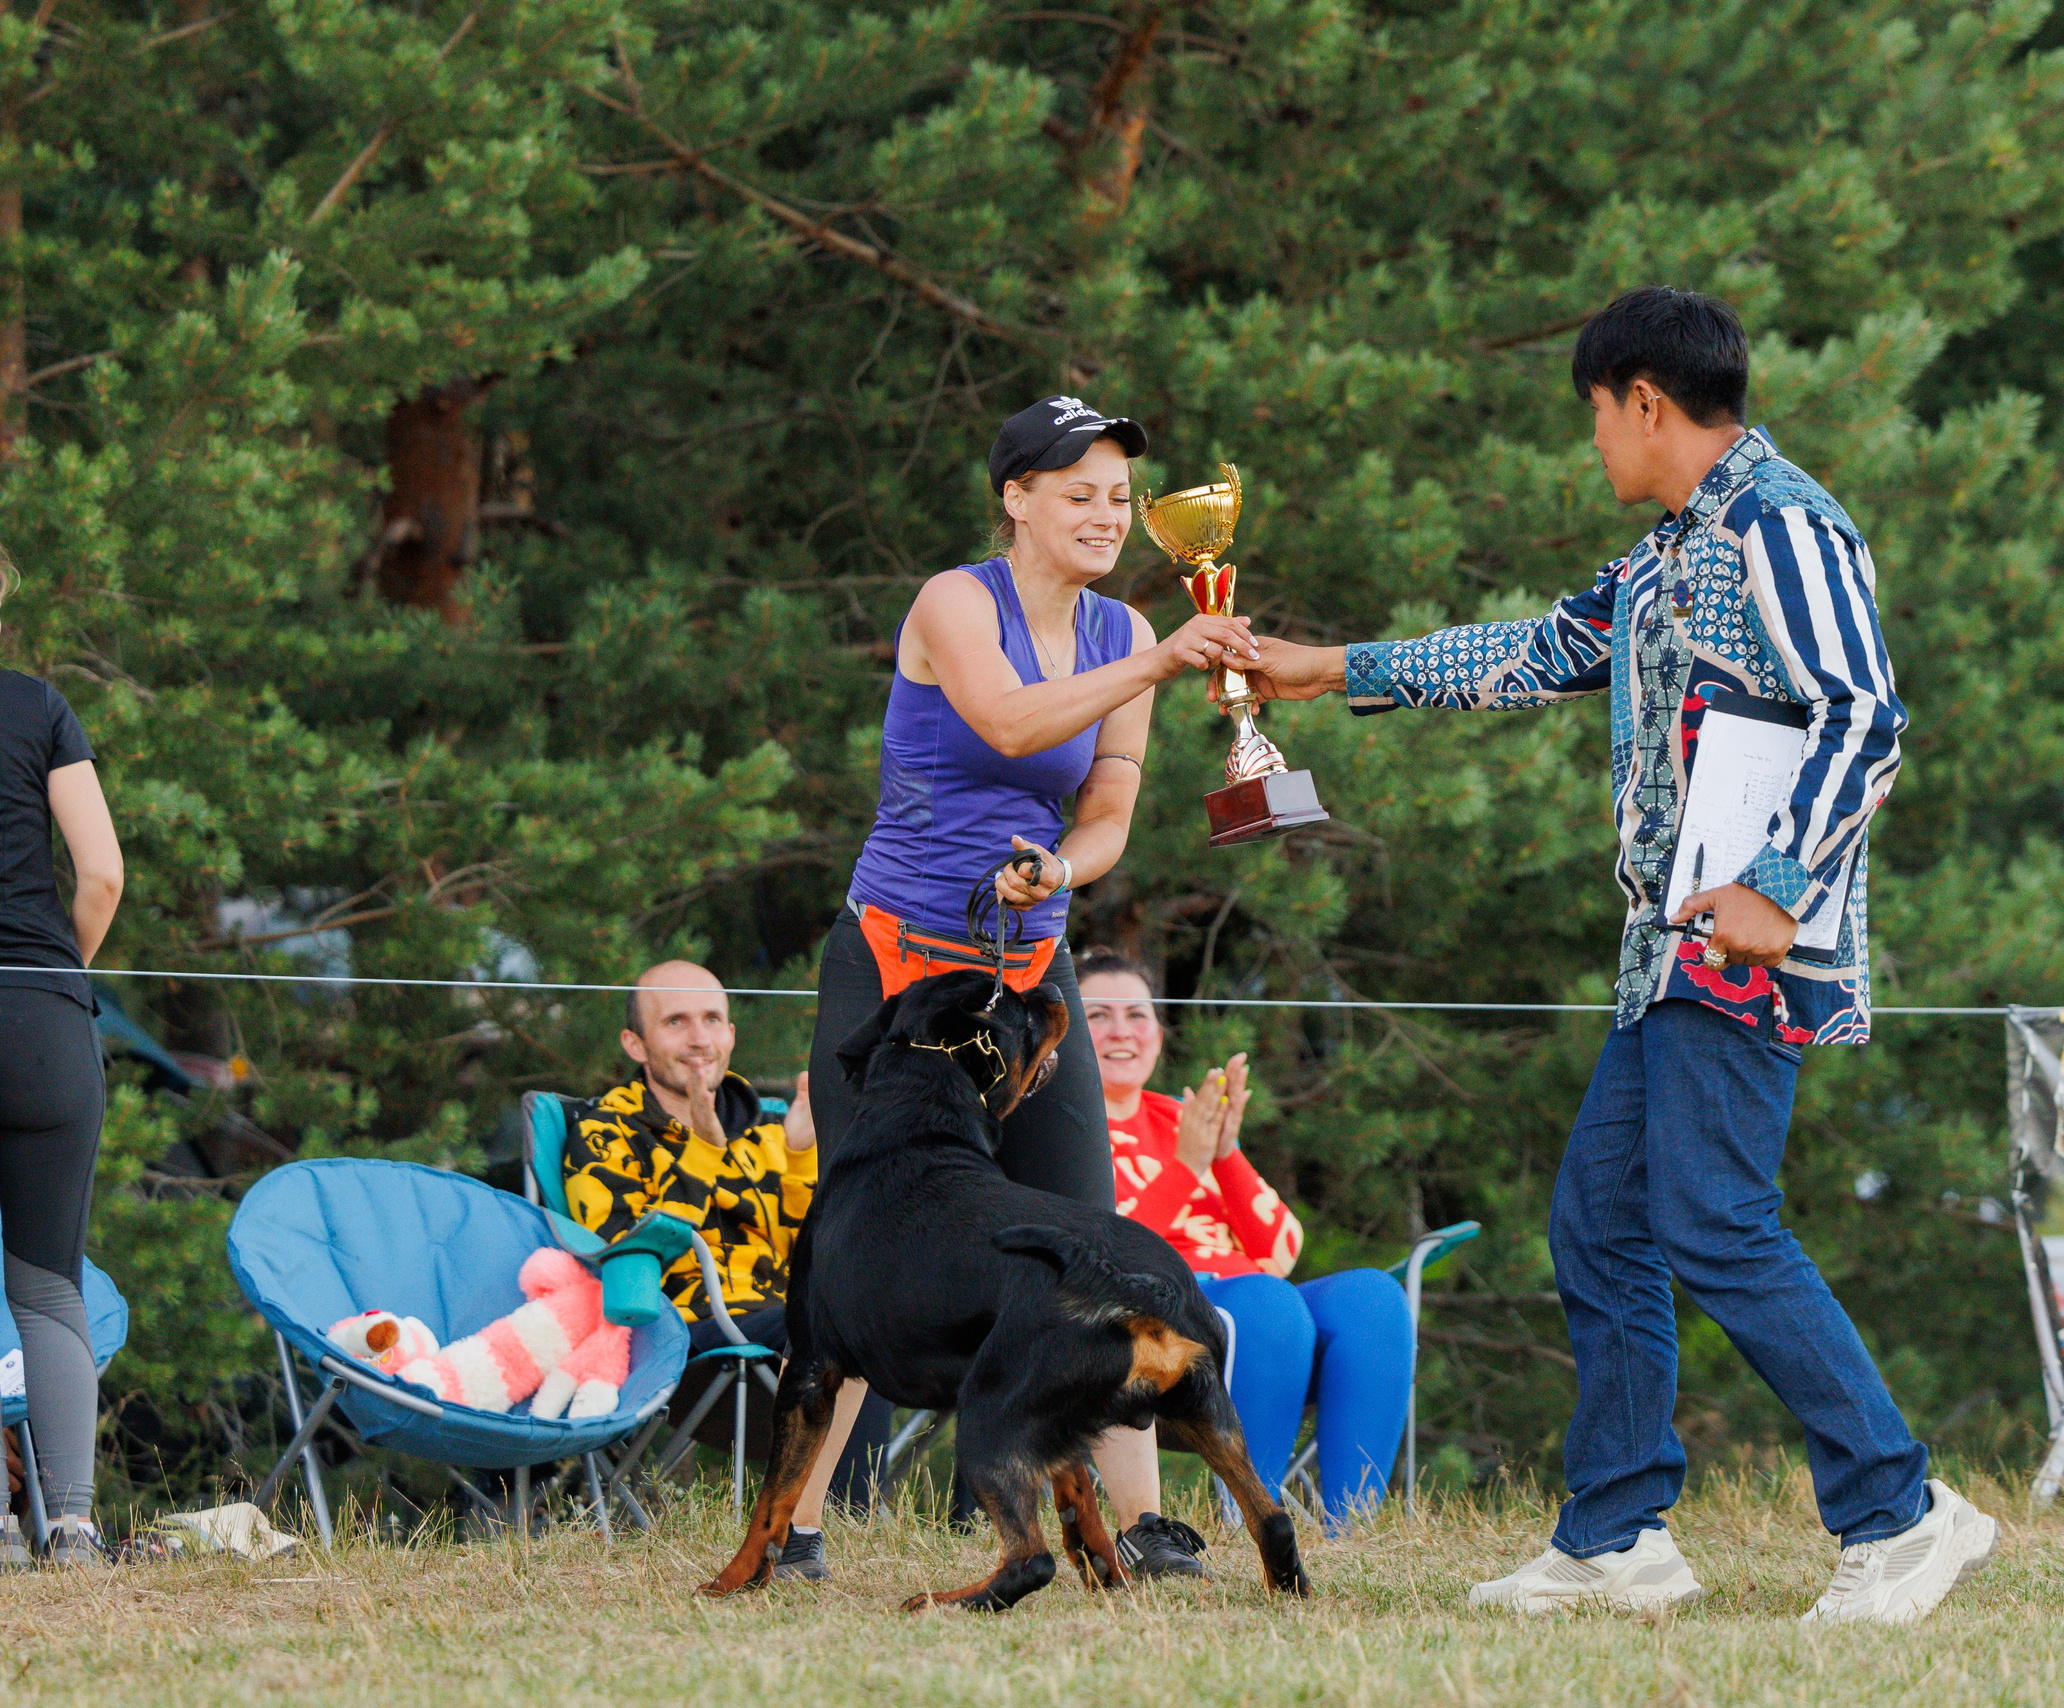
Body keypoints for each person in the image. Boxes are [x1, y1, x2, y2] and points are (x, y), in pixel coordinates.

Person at [1238, 288, 1997, 1623]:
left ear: (1645, 399)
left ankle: (1901, 1509)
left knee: (1715, 1219)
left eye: (1595, 412)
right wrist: (1330, 669)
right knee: (1601, 1219)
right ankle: (1617, 1538)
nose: (1594, 441)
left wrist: (1773, 882)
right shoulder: (1665, 553)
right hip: (1670, 951)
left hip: (1754, 942)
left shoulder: (1783, 521)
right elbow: (1545, 650)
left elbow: (1865, 713)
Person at [807, 396, 1261, 1578]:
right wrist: (1162, 655)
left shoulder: (1123, 632)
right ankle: (797, 1528)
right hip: (900, 961)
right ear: (1016, 498)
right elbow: (1007, 724)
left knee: (1093, 1235)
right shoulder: (955, 603)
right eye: (1079, 492)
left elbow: (1109, 802)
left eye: (1119, 496)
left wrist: (1065, 865)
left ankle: (1148, 1523)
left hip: (1027, 971)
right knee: (860, 1243)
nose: (1107, 514)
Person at [1082, 951, 1415, 1530]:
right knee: (1268, 1304)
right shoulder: (1067, 1129)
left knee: (1373, 1297)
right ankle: (1254, 1524)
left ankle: (1349, 1528)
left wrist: (1226, 1153)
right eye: (1098, 1015)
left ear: (1158, 1033)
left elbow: (1279, 1253)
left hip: (1258, 1316)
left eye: (1136, 1014)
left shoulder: (1184, 1118)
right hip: (1147, 1323)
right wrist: (1187, 1167)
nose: (1120, 1032)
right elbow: (1101, 1254)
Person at [565, 960, 873, 1582]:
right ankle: (798, 1530)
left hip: (779, 1322)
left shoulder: (762, 1125)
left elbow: (807, 1253)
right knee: (831, 1328)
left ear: (731, 1034)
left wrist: (798, 1156)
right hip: (673, 1325)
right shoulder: (603, 1130)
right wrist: (703, 1149)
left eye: (711, 1020)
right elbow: (631, 1251)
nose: (699, 1038)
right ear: (635, 1043)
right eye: (675, 1022)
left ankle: (820, 1520)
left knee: (873, 1309)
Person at [0, 547, 124, 1568]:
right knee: (48, 1284)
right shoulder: (38, 706)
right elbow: (103, 874)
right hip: (42, 1018)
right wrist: (52, 981)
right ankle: (72, 1526)